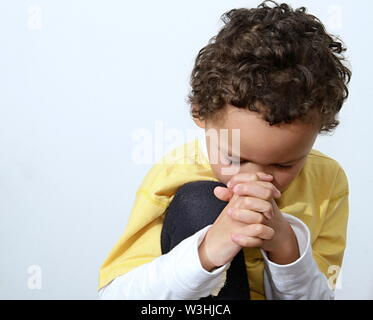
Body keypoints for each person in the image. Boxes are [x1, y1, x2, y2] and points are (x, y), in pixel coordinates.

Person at [98, 0, 351, 300]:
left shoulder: (328, 181)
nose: (255, 180)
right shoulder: (174, 172)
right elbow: (116, 296)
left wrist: (286, 247)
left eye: (284, 166)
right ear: (200, 114)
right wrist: (207, 251)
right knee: (199, 201)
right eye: (234, 159)